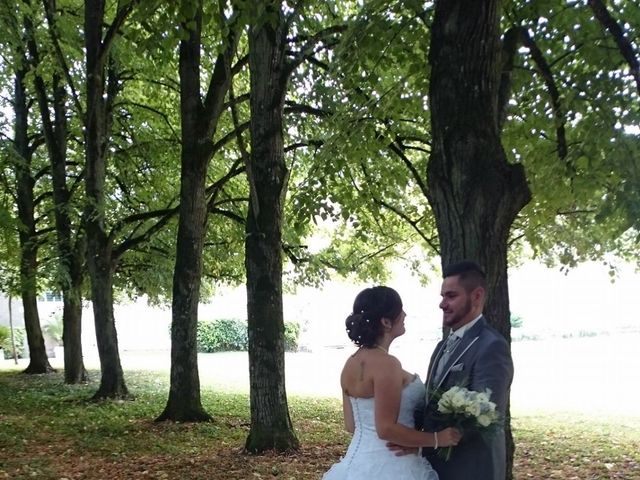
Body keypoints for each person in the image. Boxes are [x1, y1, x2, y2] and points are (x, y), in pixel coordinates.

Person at [323, 286, 461, 480]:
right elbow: (386, 428)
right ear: (386, 322)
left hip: (357, 464)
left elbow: (351, 425)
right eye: (400, 310)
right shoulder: (387, 364)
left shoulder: (351, 363)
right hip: (393, 465)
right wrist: (438, 439)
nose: (405, 314)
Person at [414, 260, 514, 480]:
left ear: (477, 296)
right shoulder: (442, 345)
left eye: (451, 296)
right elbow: (430, 404)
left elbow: (485, 415)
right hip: (433, 466)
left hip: (470, 468)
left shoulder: (491, 346)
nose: (442, 304)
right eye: (442, 296)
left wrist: (435, 439)